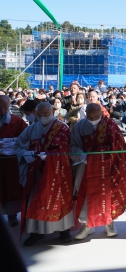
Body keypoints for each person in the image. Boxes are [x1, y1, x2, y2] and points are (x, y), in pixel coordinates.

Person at [70, 103, 126, 239]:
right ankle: (88, 225)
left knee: (108, 194)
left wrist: (105, 155)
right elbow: (73, 145)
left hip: (108, 167)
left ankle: (109, 223)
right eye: (90, 116)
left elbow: (119, 146)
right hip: (86, 165)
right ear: (85, 114)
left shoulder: (110, 125)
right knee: (87, 193)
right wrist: (81, 155)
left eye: (96, 116)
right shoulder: (79, 126)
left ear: (102, 113)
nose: (93, 118)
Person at [15, 102, 74, 246]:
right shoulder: (32, 128)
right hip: (37, 171)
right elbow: (18, 144)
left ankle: (63, 230)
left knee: (58, 200)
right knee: (36, 198)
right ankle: (37, 232)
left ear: (52, 112)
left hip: (57, 172)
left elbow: (69, 150)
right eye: (39, 115)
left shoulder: (62, 128)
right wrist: (25, 153)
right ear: (35, 113)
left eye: (45, 115)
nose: (42, 118)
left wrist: (50, 156)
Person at [0, 95, 28, 227]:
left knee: (11, 187)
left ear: (9, 105)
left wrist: (10, 142)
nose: (2, 110)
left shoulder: (17, 121)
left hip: (11, 161)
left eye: (5, 107)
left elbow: (25, 139)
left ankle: (12, 215)